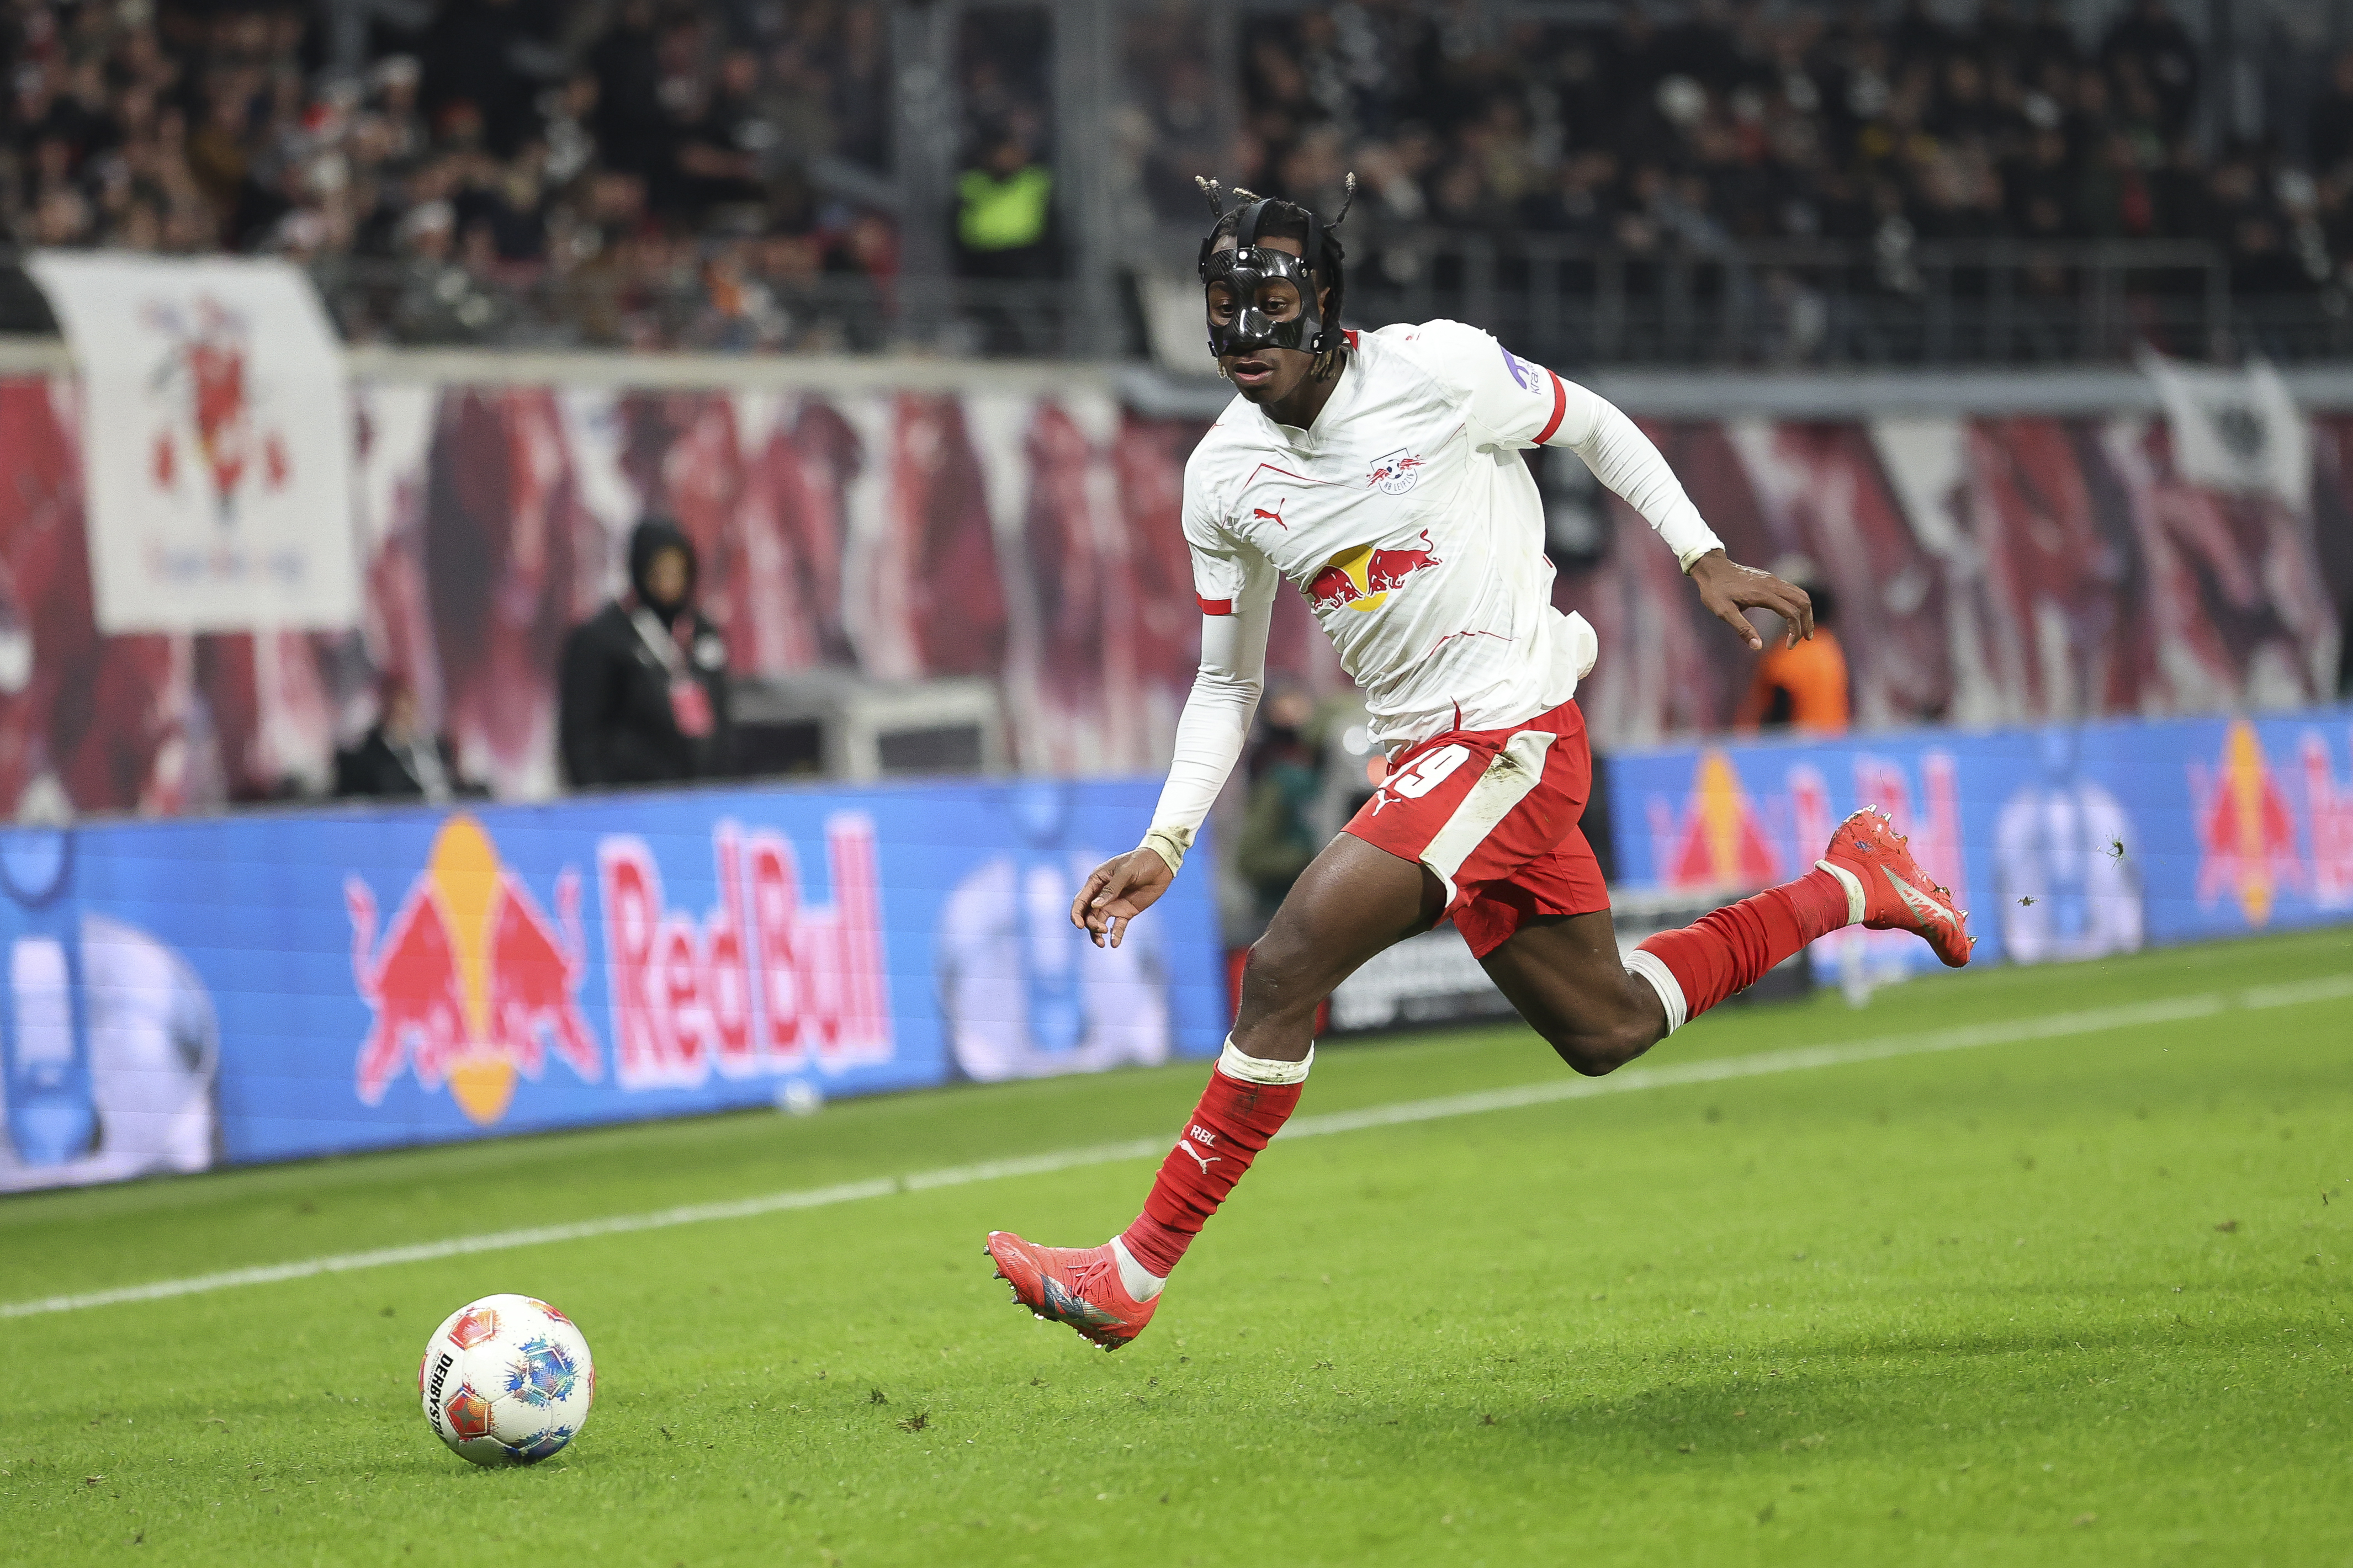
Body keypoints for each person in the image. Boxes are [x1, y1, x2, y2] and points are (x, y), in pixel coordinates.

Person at [984, 179, 1974, 1350]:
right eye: (1222, 307)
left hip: (1510, 736)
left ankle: (1130, 1274)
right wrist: (1165, 840)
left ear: (1324, 304)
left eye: (1272, 304)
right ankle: (1854, 880)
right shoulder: (1222, 479)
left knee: (1287, 960)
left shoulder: (1438, 370)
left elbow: (1592, 422)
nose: (1244, 335)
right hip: (1425, 755)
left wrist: (1703, 556)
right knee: (1604, 1026)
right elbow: (1228, 681)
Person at [558, 518, 731, 789]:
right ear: (641, 570)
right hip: (631, 798)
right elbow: (582, 735)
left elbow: (723, 716)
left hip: (701, 795)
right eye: (659, 571)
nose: (669, 582)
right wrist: (595, 799)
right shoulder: (602, 639)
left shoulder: (702, 631)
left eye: (677, 571)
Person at [1734, 576, 1851, 733]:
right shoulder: (1831, 649)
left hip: (1796, 748)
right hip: (1832, 744)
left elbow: (1779, 711)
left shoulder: (1788, 653)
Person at [334, 678, 479, 802]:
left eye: (408, 707)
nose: (404, 716)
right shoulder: (366, 758)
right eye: (398, 709)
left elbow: (458, 786)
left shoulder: (437, 748)